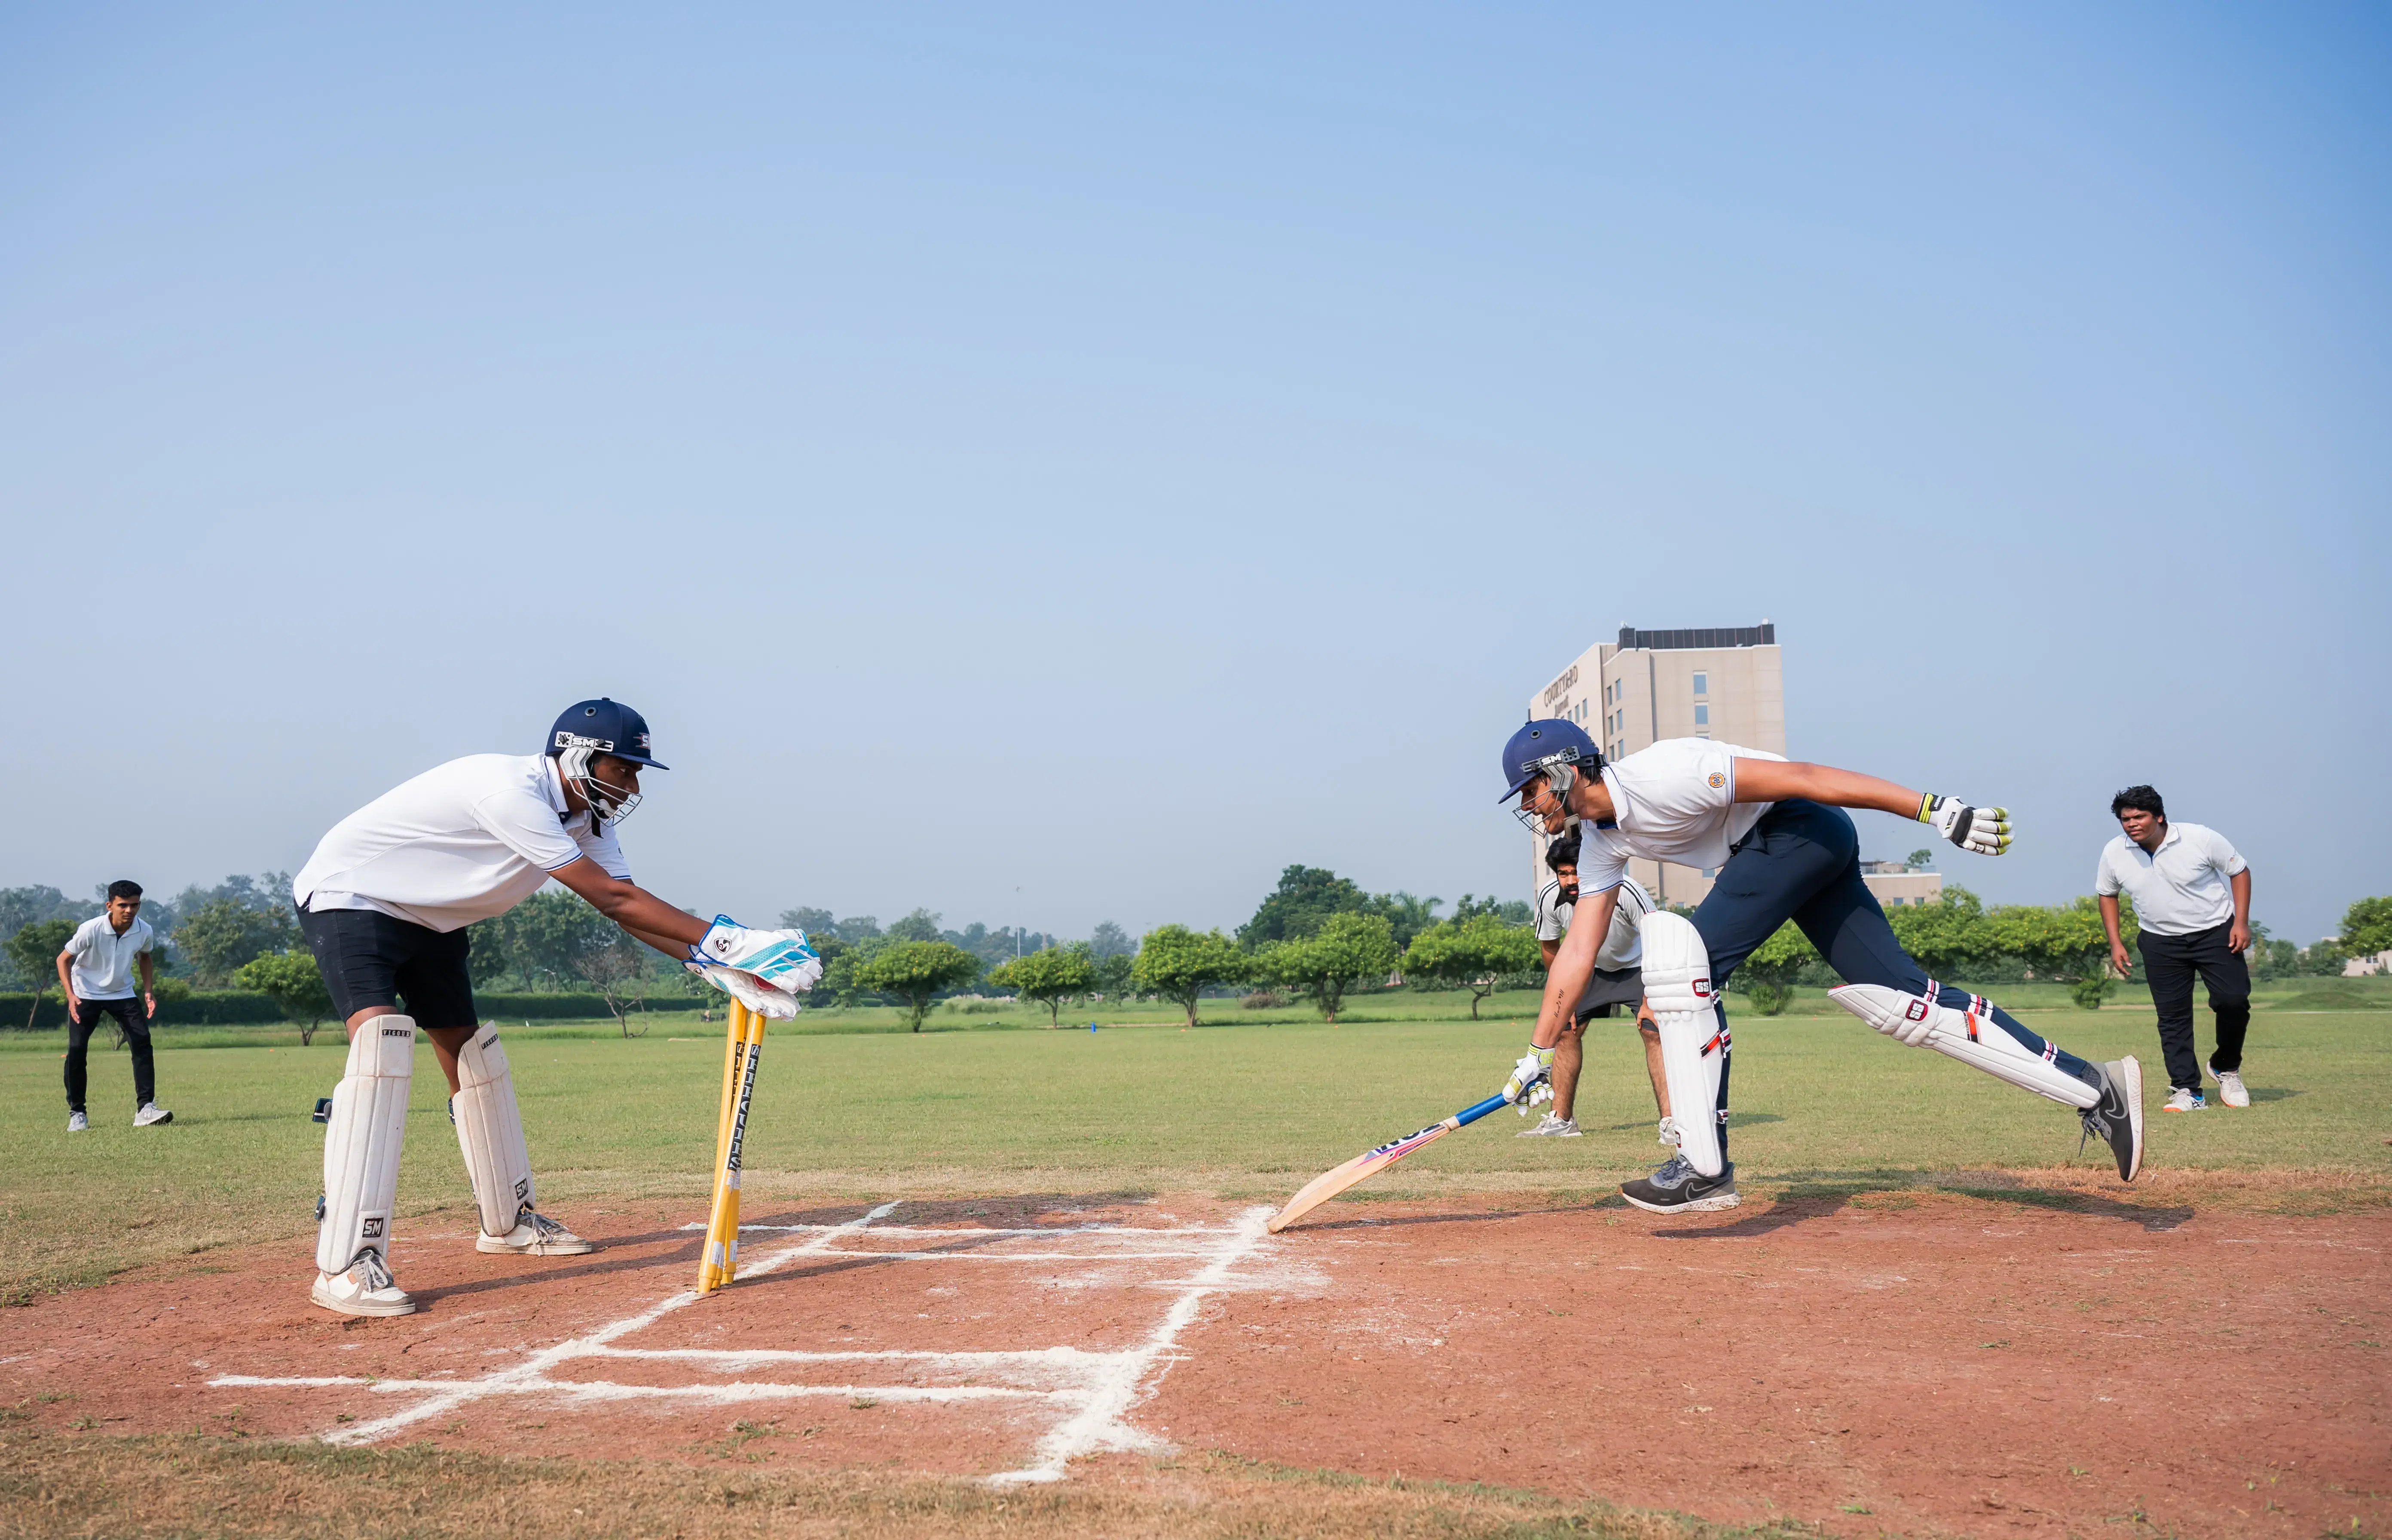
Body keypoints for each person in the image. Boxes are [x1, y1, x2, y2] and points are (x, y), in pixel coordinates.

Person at [291, 698, 824, 1318]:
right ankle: (346, 1263)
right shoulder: (510, 794)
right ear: (576, 755)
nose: (632, 783)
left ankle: (508, 1224)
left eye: (637, 771)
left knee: (472, 1059)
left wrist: (712, 964)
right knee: (382, 1050)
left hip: (435, 920)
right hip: (353, 898)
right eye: (622, 767)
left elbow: (623, 907)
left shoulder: (588, 820)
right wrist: (726, 939)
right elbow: (615, 899)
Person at [1494, 718, 2145, 1215]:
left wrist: (1934, 809)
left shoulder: (1664, 774)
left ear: (1561, 770)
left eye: (1529, 788)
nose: (1528, 805)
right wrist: (1536, 1051)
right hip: (1786, 847)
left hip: (1797, 829)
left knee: (1680, 970)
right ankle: (2097, 1090)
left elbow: (1806, 778)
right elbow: (1577, 952)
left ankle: (1703, 1167)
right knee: (1902, 1002)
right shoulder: (1604, 841)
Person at [2095, 785, 2252, 1113]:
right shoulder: (2114, 852)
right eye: (2126, 819)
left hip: (2216, 933)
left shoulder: (2200, 838)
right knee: (2173, 1018)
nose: (2132, 824)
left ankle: (2226, 1067)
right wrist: (2116, 942)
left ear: (2160, 816)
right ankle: (2187, 1089)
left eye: (2139, 817)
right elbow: (2107, 894)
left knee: (2233, 1001)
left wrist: (2241, 922)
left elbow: (2239, 871)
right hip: (2159, 941)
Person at [1517, 832, 1668, 1152]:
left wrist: (1648, 1000)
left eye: (1577, 871)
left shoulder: (1625, 889)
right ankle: (1561, 1121)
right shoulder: (1548, 896)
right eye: (1563, 873)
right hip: (1588, 970)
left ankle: (1671, 1122)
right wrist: (1564, 1001)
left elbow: (1658, 940)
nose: (1571, 879)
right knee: (1564, 1032)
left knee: (1653, 1030)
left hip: (1639, 966)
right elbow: (1550, 948)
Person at [57, 880, 172, 1132]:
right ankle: (77, 1113)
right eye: (123, 905)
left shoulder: (144, 930)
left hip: (122, 992)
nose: (129, 910)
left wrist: (149, 991)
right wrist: (71, 995)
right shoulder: (91, 929)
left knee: (142, 1042)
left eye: (135, 905)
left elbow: (145, 957)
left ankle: (146, 1108)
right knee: (77, 1049)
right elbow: (63, 959)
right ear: (110, 905)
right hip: (86, 992)